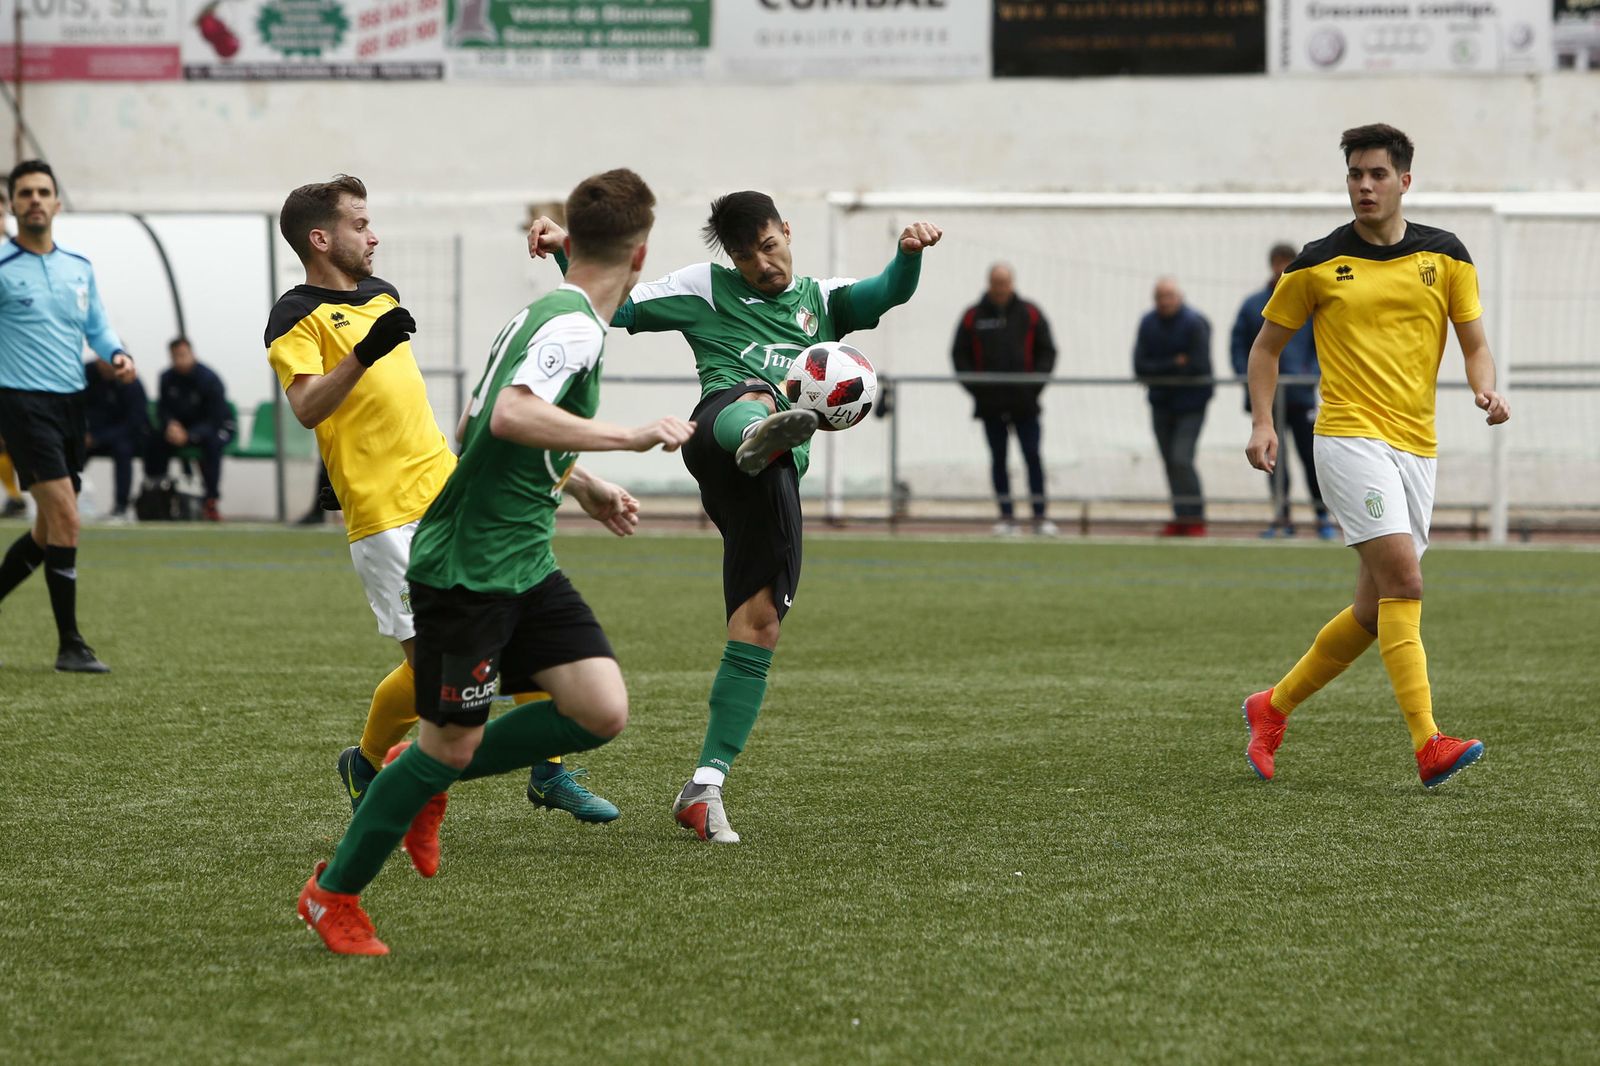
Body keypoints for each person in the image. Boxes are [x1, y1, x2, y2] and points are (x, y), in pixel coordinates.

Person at [297, 167, 694, 955]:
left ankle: (424, 772)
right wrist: (629, 435)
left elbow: (479, 418)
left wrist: (580, 484)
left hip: (522, 559)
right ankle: (331, 893)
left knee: (600, 709)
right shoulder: (573, 326)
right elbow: (511, 415)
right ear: (642, 255)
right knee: (454, 745)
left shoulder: (558, 313)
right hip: (468, 568)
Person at [528, 192, 942, 843]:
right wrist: (564, 253)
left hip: (773, 481)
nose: (761, 264)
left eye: (768, 246)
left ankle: (705, 785)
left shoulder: (823, 301)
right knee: (748, 394)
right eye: (746, 255)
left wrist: (908, 254)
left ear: (786, 231)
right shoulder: (705, 288)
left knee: (761, 625)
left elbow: (887, 292)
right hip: (718, 436)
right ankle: (761, 427)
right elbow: (620, 307)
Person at [266, 174, 617, 824]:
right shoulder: (294, 314)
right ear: (320, 237)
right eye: (359, 224)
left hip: (448, 491)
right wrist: (365, 353)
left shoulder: (382, 293)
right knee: (436, 664)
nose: (374, 236)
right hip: (382, 516)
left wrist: (584, 483)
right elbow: (308, 407)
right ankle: (368, 763)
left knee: (514, 615)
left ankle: (550, 771)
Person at [1241, 123, 1509, 788]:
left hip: (1416, 448)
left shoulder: (1447, 256)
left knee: (1372, 609)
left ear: (1404, 181)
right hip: (1347, 438)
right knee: (1407, 583)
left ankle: (1271, 707)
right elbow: (1265, 349)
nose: (1364, 185)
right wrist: (1261, 423)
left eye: (1377, 175)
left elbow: (1474, 341)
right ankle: (1429, 744)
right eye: (1355, 174)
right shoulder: (1316, 262)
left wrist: (1485, 389)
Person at [0, 160, 136, 673]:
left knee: (47, 530)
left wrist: (117, 355)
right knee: (69, 520)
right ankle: (70, 645)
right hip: (20, 404)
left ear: (57, 203)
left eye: (43, 192)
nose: (34, 199)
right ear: (13, 206)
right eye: (25, 193)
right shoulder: (1, 267)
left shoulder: (79, 266)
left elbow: (98, 329)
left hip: (70, 405)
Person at [1231, 244, 1333, 539]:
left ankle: (1321, 516)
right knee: (1274, 462)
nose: (1281, 268)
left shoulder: (1310, 304)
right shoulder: (1253, 306)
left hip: (1300, 398)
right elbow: (1242, 347)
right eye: (1278, 262)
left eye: (1287, 262)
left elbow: (1323, 344)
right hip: (1269, 403)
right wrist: (1247, 378)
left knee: (1311, 459)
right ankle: (1282, 517)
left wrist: (1309, 375)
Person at [952, 262, 1059, 536]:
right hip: (991, 405)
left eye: (1005, 283)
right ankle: (1007, 516)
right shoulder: (972, 316)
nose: (1001, 288)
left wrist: (1033, 386)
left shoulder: (1030, 313)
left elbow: (1047, 352)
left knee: (1032, 456)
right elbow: (959, 356)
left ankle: (1039, 516)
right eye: (996, 283)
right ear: (989, 284)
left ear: (1012, 283)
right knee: (999, 459)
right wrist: (978, 389)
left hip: (1025, 404)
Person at [1134, 277, 1213, 536]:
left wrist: (1163, 369)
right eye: (1160, 297)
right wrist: (1174, 364)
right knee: (1169, 461)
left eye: (1169, 296)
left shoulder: (1194, 323)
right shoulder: (1148, 323)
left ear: (1179, 297)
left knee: (1181, 458)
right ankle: (1181, 516)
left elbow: (1198, 366)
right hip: (1161, 403)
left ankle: (1195, 517)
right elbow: (1140, 367)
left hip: (1191, 404)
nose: (1165, 302)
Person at [143, 337, 235, 521]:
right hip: (180, 431)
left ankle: (210, 500)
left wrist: (191, 435)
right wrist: (170, 425)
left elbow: (215, 419)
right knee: (153, 440)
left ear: (192, 354)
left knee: (212, 444)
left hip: (212, 429)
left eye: (183, 355)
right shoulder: (166, 378)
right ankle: (155, 493)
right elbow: (163, 410)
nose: (180, 360)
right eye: (175, 356)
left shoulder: (210, 379)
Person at [84, 356, 150, 522]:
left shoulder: (131, 381)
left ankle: (121, 506)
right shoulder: (85, 374)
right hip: (90, 435)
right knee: (69, 449)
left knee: (123, 449)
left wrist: (99, 437)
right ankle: (62, 500)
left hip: (122, 436)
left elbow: (135, 422)